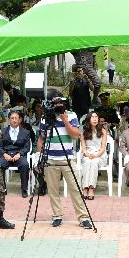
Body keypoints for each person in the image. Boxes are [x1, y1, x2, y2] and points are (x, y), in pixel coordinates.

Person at [36, 95, 92, 229]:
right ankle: (57, 216)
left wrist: (65, 120)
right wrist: (39, 156)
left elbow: (75, 135)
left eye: (60, 103)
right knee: (53, 189)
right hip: (50, 158)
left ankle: (83, 217)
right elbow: (41, 138)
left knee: (76, 188)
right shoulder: (46, 117)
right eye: (55, 103)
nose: (58, 106)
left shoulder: (71, 115)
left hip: (67, 158)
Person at [0, 110, 32, 197]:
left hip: (19, 155)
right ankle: (3, 188)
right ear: (9, 120)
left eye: (16, 118)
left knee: (25, 165)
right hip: (6, 155)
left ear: (19, 120)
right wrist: (5, 154)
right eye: (12, 118)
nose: (14, 120)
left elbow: (27, 147)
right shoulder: (3, 131)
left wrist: (19, 154)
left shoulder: (25, 132)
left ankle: (24, 189)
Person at [79, 112, 109, 200]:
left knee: (94, 162)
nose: (95, 119)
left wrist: (96, 155)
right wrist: (87, 154)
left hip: (100, 155)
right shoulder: (84, 132)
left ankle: (91, 188)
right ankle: (85, 188)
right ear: (89, 119)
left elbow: (103, 147)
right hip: (87, 154)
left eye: (96, 117)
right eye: (92, 117)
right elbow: (83, 148)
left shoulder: (103, 131)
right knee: (88, 161)